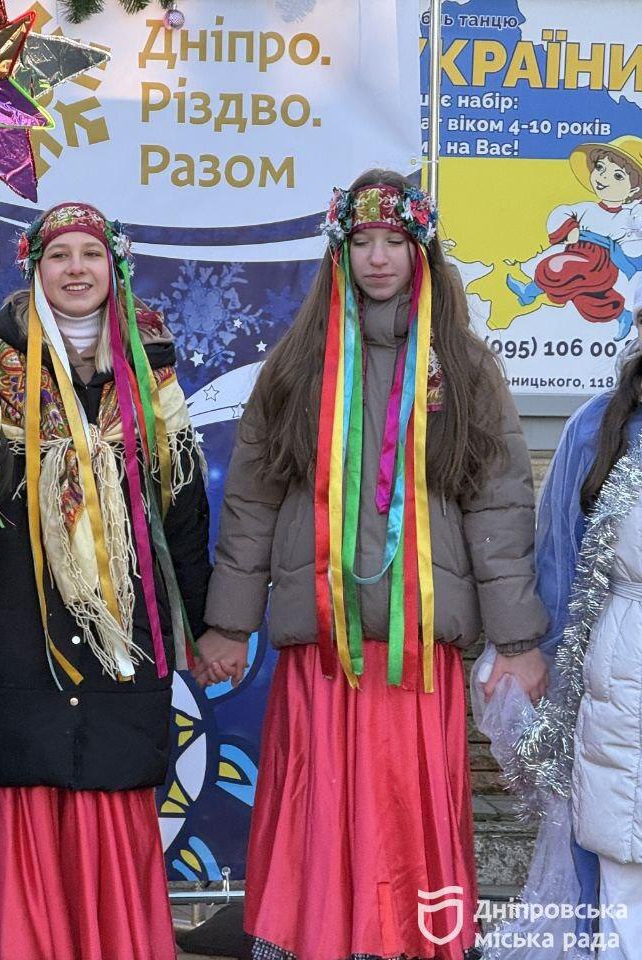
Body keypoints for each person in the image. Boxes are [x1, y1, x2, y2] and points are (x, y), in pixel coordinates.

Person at [200, 170, 549, 960]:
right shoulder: (295, 365)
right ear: (340, 252)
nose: (380, 258)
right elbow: (251, 501)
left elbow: (498, 505)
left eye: (396, 241)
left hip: (417, 648)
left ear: (422, 251)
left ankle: (407, 942)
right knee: (318, 798)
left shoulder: (463, 367)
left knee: (405, 803)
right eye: (363, 243)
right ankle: (309, 936)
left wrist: (519, 641)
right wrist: (228, 623)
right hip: (323, 645)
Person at [0, 202, 210, 960]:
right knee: (21, 788)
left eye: (92, 254)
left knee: (110, 787)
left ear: (113, 269)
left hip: (122, 636)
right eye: (60, 256)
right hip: (11, 629)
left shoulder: (153, 381)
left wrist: (210, 622)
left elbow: (183, 512)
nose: (77, 269)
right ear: (34, 270)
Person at [503, 291, 642, 957]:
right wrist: (542, 662)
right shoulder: (599, 428)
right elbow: (559, 569)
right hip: (622, 683)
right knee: (620, 861)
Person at [507, 135, 642, 340]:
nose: (604, 178)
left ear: (634, 189)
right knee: (587, 299)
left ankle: (530, 291)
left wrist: (625, 251)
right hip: (578, 253)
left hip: (600, 263)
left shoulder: (627, 216)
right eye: (599, 168)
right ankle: (622, 316)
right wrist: (569, 229)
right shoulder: (586, 208)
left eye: (617, 176)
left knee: (555, 267)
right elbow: (562, 212)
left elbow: (633, 243)